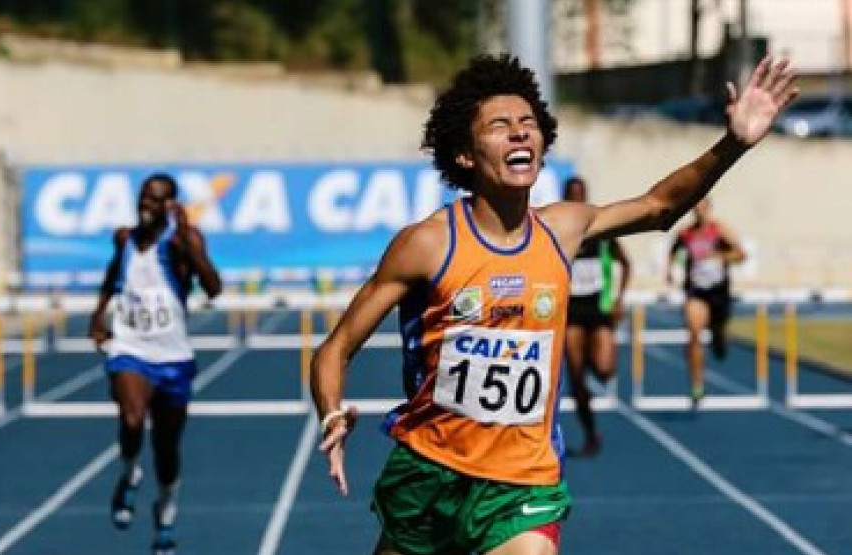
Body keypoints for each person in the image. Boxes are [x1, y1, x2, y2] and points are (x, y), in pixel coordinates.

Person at [310, 53, 795, 555]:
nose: (520, 133)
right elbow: (336, 347)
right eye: (500, 126)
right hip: (429, 473)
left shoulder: (562, 229)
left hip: (523, 481)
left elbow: (659, 207)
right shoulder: (428, 244)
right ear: (465, 154)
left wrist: (734, 143)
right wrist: (330, 414)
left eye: (528, 123)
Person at [89, 173, 221, 555]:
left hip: (173, 356)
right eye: (143, 197)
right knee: (131, 418)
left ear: (169, 205)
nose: (146, 204)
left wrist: (186, 240)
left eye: (155, 199)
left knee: (166, 448)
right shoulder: (124, 239)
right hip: (130, 347)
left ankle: (165, 513)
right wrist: (99, 315)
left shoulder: (184, 241)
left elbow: (213, 288)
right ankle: (130, 471)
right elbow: (113, 276)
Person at [563, 176, 630, 457]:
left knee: (605, 370)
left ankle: (591, 354)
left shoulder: (601, 230)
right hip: (571, 308)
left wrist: (618, 298)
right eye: (572, 195)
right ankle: (590, 431)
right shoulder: (559, 231)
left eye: (581, 194)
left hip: (598, 307)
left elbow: (625, 264)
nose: (577, 199)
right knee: (576, 377)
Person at [666, 197, 746, 407]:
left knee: (718, 339)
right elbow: (672, 253)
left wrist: (719, 255)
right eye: (695, 208)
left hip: (719, 292)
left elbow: (741, 255)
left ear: (709, 208)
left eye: (703, 208)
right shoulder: (685, 234)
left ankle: (719, 336)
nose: (699, 212)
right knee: (693, 333)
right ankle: (697, 385)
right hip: (696, 292)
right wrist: (670, 271)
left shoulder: (720, 230)